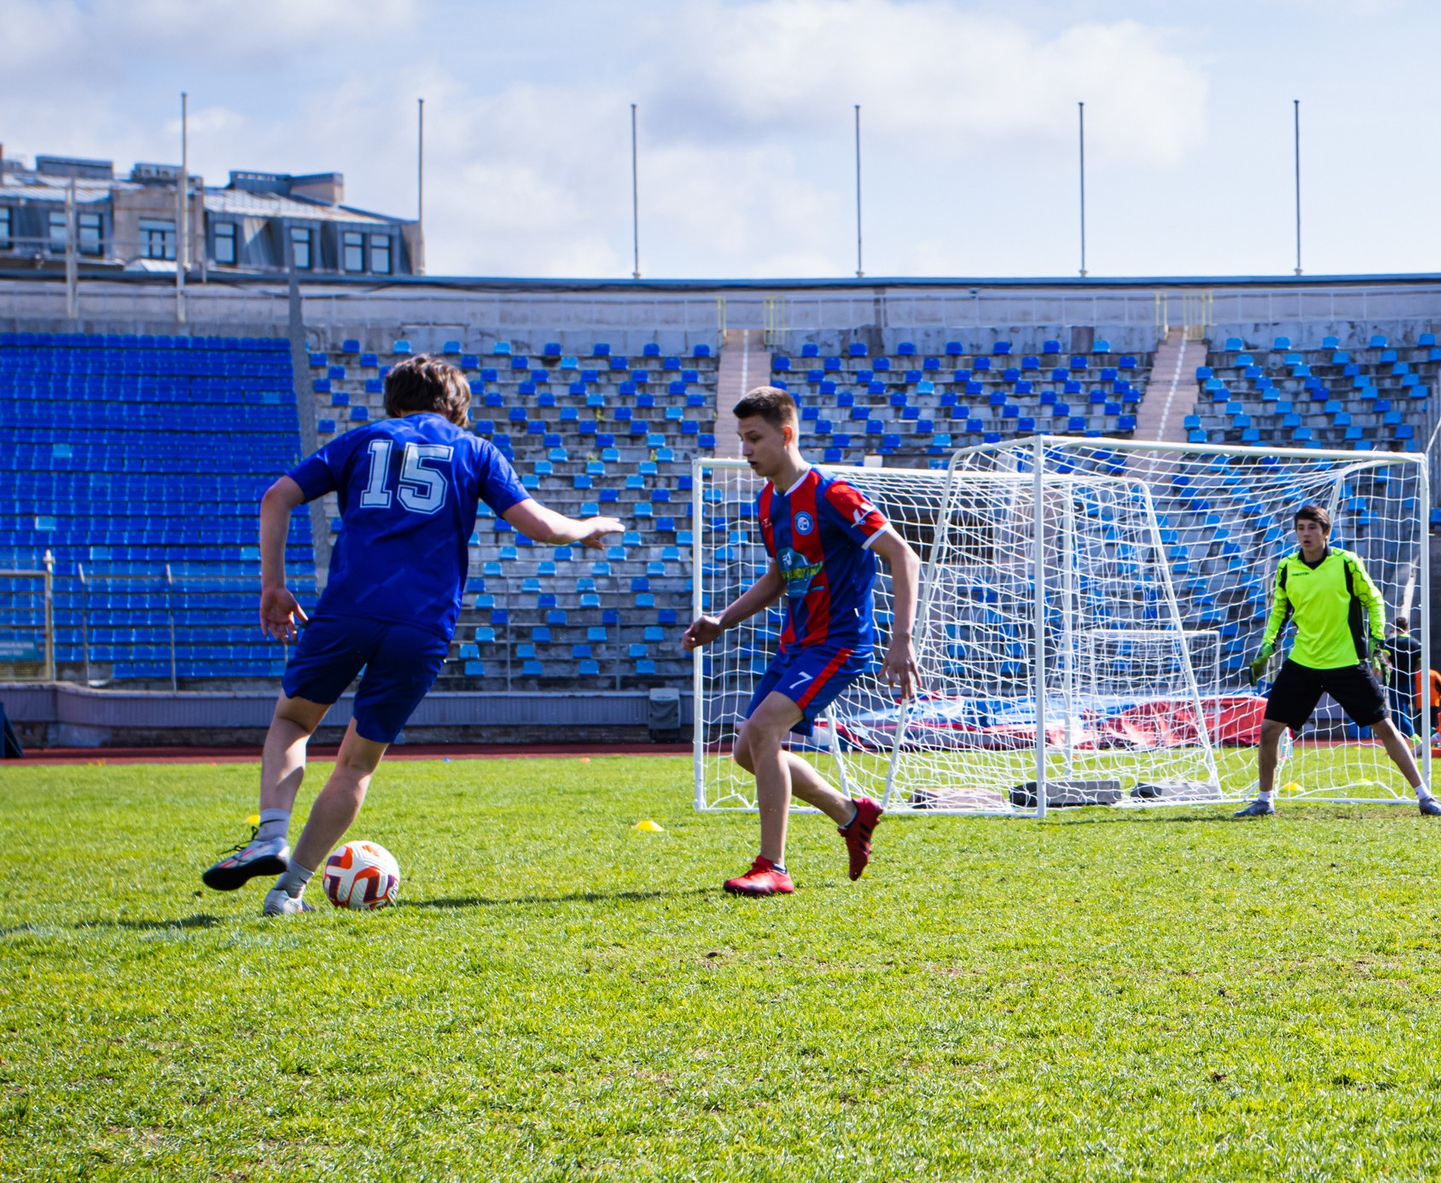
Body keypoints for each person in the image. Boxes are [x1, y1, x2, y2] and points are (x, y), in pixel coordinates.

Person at [201, 355, 624, 913]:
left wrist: (273, 587)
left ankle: (271, 836)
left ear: (394, 402)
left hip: (347, 610)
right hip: (422, 625)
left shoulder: (363, 439)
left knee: (292, 720)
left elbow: (276, 495)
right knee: (356, 763)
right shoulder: (475, 450)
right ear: (457, 407)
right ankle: (290, 891)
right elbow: (541, 527)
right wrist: (588, 526)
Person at [681, 386, 921, 896]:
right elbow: (778, 577)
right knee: (747, 752)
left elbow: (903, 555)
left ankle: (774, 866)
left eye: (754, 438)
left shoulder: (832, 494)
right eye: (741, 439)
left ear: (785, 434)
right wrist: (722, 620)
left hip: (838, 642)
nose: (745, 450)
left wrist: (901, 640)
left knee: (765, 730)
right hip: (796, 644)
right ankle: (850, 813)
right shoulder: (769, 501)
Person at [1237, 504, 1441, 817]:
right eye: (1301, 528)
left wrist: (1377, 640)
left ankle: (1425, 797)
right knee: (1269, 729)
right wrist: (1268, 646)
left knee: (1386, 727)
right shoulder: (1286, 567)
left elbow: (1374, 600)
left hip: (1346, 661)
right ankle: (1264, 800)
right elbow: (1280, 611)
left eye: (1312, 528)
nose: (1306, 534)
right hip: (1304, 662)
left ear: (1326, 532)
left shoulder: (1347, 563)